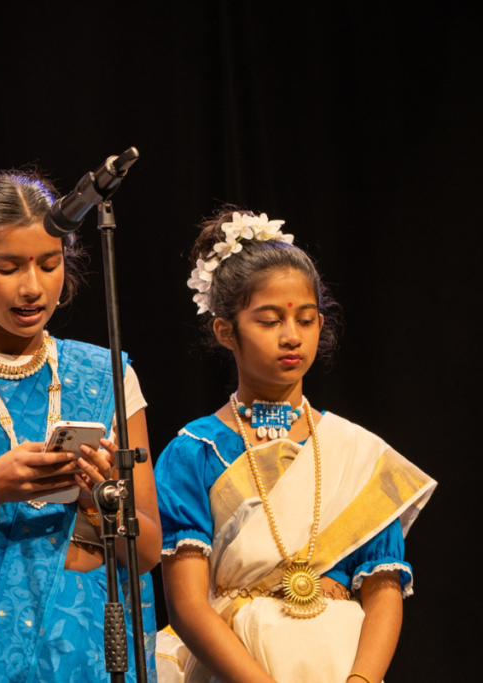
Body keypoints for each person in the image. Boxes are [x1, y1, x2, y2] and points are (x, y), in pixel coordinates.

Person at [0, 170, 161, 683]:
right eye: (8, 267)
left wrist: (97, 498)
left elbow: (148, 550)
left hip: (94, 650)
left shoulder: (109, 375)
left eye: (49, 263)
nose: (33, 287)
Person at [154, 209, 436, 683]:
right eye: (269, 321)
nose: (291, 337)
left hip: (341, 667)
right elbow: (187, 606)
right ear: (226, 331)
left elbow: (383, 586)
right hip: (238, 668)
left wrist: (362, 680)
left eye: (305, 320)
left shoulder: (355, 453)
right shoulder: (196, 451)